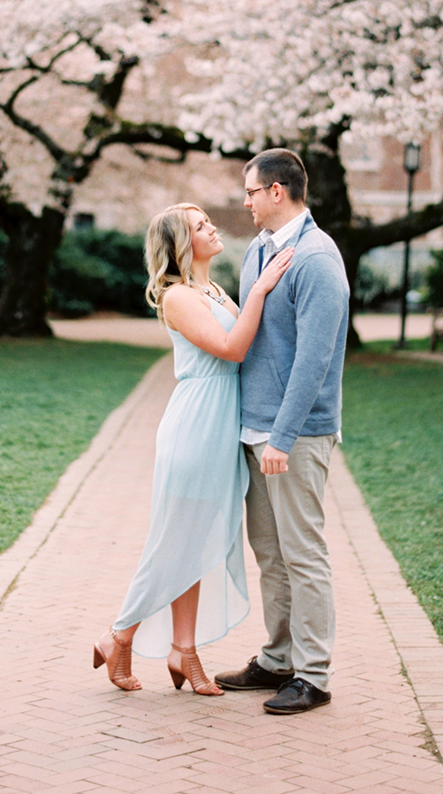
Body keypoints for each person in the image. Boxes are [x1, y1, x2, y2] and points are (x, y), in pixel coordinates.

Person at [94, 202, 293, 695]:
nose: (212, 227)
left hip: (221, 424)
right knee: (173, 540)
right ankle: (118, 634)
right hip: (195, 425)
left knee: (196, 541)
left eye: (208, 220)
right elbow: (232, 350)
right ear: (182, 243)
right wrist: (262, 290)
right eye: (201, 225)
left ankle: (184, 652)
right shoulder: (178, 296)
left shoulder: (215, 291)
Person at [215, 149, 350, 715]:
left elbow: (313, 362)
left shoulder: (317, 259)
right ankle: (277, 660)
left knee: (303, 553)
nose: (244, 200)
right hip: (255, 430)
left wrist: (283, 437)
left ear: (278, 191)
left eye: (251, 190)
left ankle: (313, 675)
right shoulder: (258, 252)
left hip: (293, 436)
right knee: (270, 553)